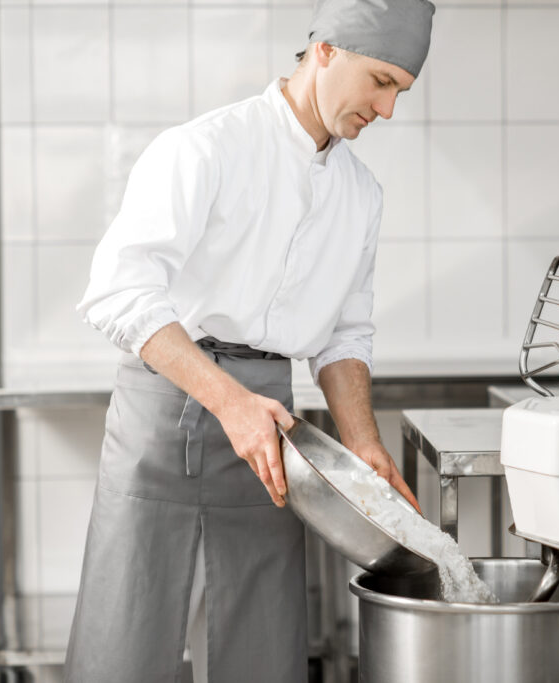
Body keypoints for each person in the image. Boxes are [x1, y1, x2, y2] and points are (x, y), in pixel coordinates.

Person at [64, 0, 434, 680]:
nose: (386, 111)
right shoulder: (203, 148)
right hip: (169, 407)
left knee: (261, 644)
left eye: (400, 92)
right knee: (127, 634)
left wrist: (363, 441)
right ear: (325, 50)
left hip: (274, 431)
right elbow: (119, 289)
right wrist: (228, 402)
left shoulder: (361, 194)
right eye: (381, 81)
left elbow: (344, 332)